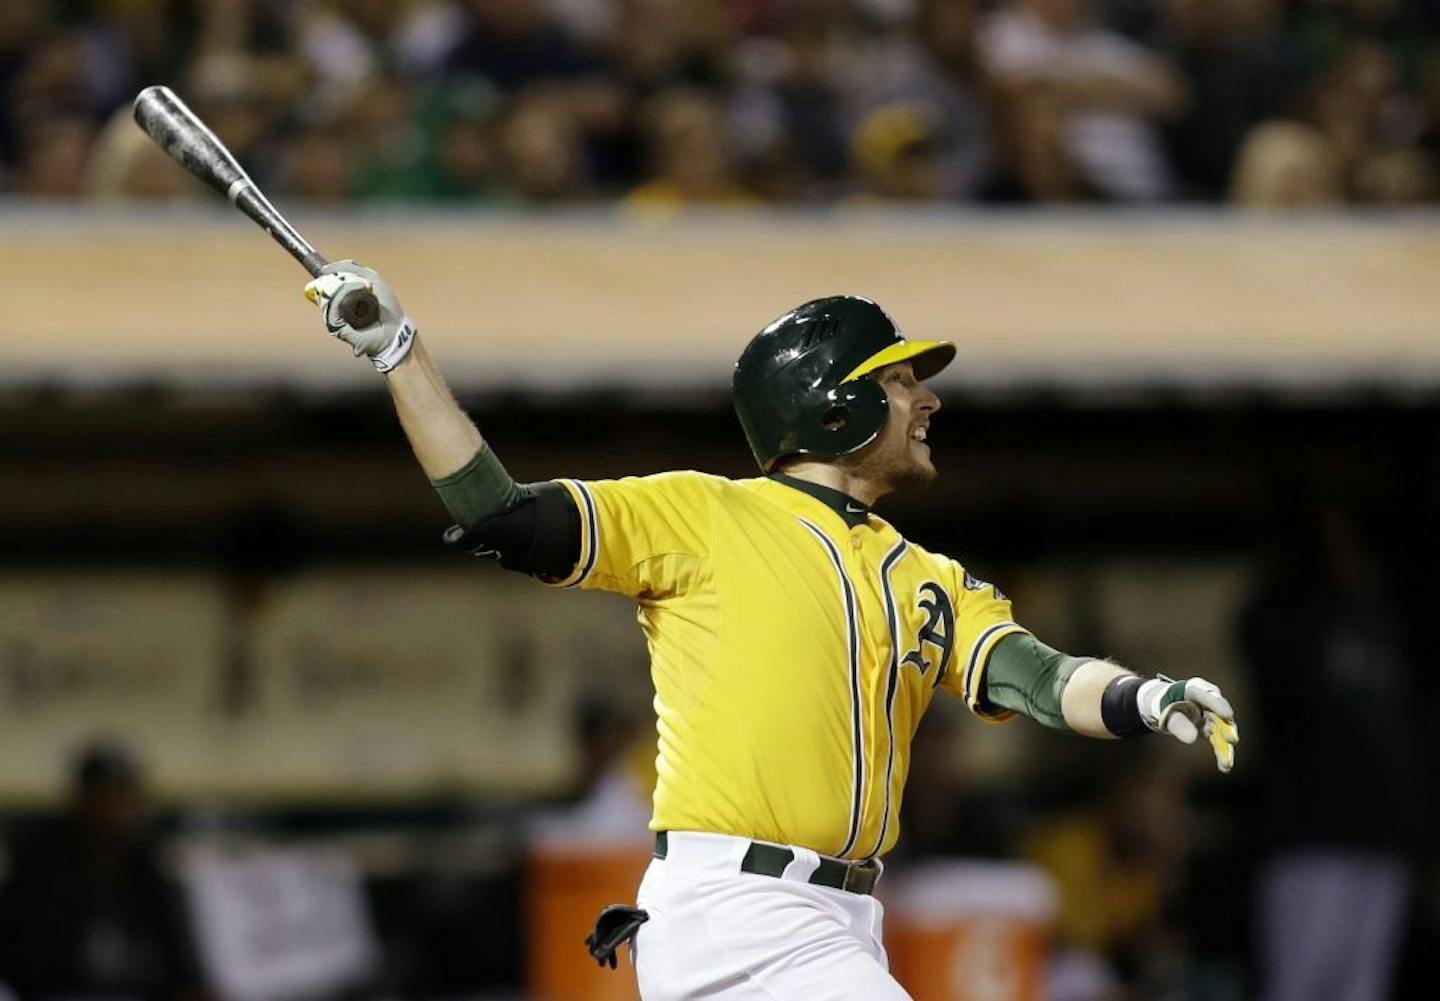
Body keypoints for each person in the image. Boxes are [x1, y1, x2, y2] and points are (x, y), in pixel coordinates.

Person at [302, 263, 1240, 1000]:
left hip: (838, 918)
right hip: (737, 906)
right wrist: (401, 356)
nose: (929, 400)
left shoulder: (925, 574)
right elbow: (504, 518)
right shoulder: (704, 515)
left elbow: (1033, 676)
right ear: (838, 404)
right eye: (902, 380)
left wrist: (1146, 697)